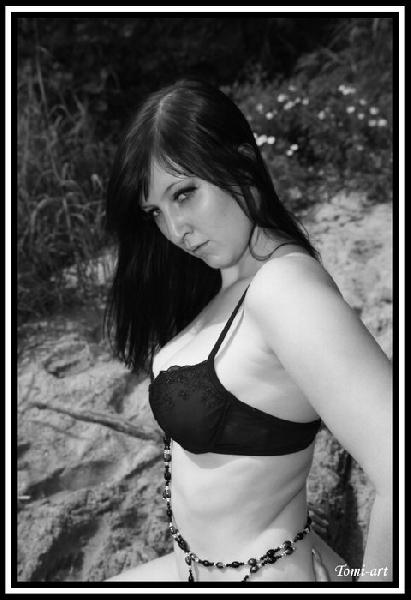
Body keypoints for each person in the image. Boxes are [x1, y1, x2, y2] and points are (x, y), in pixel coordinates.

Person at [103, 78, 392, 583]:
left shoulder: (283, 288)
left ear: (242, 163)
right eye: (156, 212)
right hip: (195, 569)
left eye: (184, 194)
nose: (175, 230)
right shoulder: (228, 279)